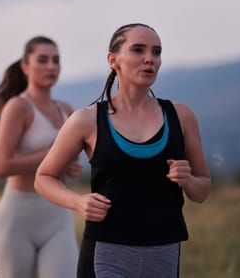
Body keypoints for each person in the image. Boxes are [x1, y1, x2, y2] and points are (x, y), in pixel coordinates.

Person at [35, 23, 211, 278]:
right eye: (138, 50)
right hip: (106, 254)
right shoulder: (86, 120)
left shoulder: (182, 116)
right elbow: (44, 178)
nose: (150, 59)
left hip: (164, 254)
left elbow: (202, 190)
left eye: (157, 52)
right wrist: (78, 201)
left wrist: (188, 180)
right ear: (113, 59)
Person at [0, 36, 82, 278]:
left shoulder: (66, 110)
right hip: (18, 219)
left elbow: (66, 161)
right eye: (43, 60)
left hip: (58, 216)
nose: (51, 66)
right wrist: (53, 155)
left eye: (56, 60)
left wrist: (69, 166)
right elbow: (2, 166)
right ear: (26, 67)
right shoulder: (18, 107)